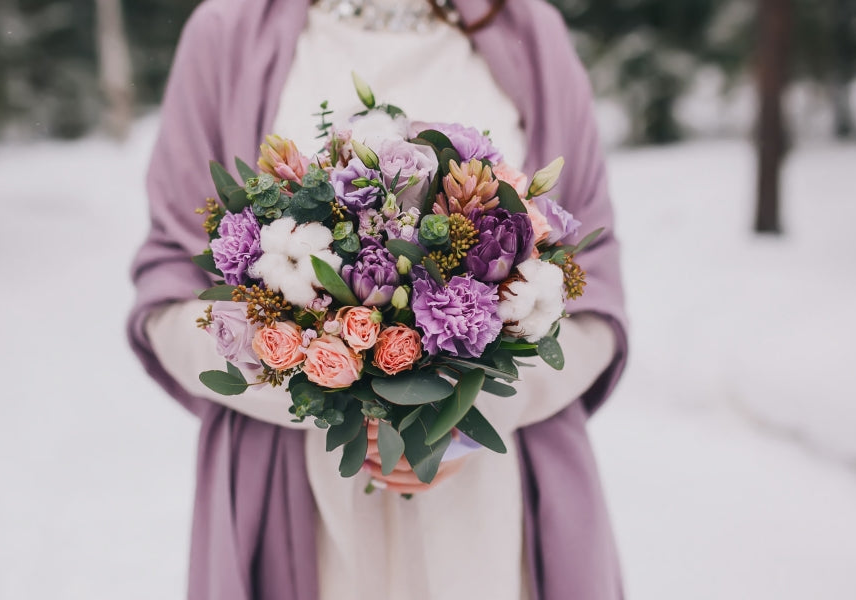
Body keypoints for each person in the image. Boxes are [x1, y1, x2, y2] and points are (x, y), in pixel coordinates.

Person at [126, 1, 629, 598]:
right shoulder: (226, 32)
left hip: (491, 502)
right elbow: (171, 288)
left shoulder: (528, 31)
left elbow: (593, 291)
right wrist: (318, 386)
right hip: (302, 498)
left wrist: (475, 411)